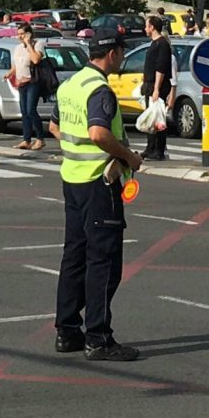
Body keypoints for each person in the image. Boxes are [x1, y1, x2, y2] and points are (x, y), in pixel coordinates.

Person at [54, 20, 142, 361]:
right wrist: (128, 156)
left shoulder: (71, 84)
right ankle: (99, 337)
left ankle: (67, 330)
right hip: (98, 182)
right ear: (112, 54)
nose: (121, 58)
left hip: (72, 179)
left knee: (73, 257)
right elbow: (97, 133)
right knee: (103, 262)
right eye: (120, 52)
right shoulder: (100, 89)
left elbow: (58, 129)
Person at [138, 16, 175, 161]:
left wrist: (156, 89)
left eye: (146, 26)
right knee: (151, 116)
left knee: (158, 118)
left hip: (156, 86)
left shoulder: (162, 44)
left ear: (152, 27)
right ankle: (150, 147)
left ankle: (158, 150)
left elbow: (160, 68)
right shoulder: (155, 44)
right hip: (150, 85)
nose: (145, 29)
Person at [10, 24, 44, 151]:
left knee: (31, 110)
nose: (20, 37)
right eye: (18, 34)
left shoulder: (37, 44)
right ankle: (26, 139)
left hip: (32, 82)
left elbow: (36, 60)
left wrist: (28, 44)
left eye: (22, 34)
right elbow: (16, 65)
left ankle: (40, 138)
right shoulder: (17, 48)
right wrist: (10, 73)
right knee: (24, 112)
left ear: (29, 34)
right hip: (21, 83)